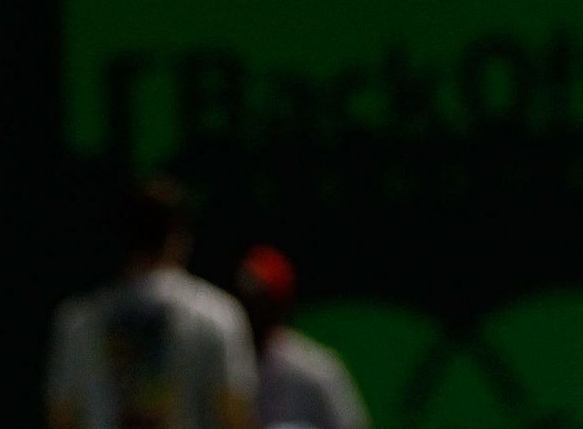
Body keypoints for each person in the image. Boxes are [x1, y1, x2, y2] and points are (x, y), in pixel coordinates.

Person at [47, 180, 260, 429]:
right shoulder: (218, 315)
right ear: (179, 237)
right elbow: (234, 415)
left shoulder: (79, 319)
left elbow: (62, 418)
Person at [233, 246, 369, 429]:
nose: (250, 312)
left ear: (280, 307)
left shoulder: (316, 370)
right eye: (244, 299)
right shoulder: (220, 362)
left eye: (260, 302)